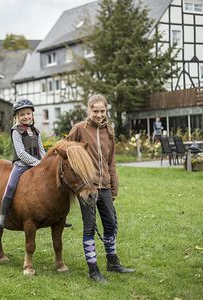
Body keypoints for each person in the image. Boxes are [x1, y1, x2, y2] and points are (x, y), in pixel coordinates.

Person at [66, 94, 135, 283]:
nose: (98, 114)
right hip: (86, 186)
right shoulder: (79, 129)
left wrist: (114, 185)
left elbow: (111, 161)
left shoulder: (109, 130)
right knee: (90, 227)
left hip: (104, 185)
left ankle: (112, 262)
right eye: (95, 111)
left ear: (106, 110)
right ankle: (93, 270)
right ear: (88, 110)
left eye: (102, 111)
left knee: (111, 223)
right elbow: (66, 150)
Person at [0, 99, 46, 229]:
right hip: (21, 166)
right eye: (22, 114)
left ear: (32, 114)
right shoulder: (16, 131)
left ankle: (59, 216)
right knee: (10, 186)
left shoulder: (36, 131)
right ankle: (2, 217)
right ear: (17, 117)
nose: (25, 117)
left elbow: (41, 150)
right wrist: (38, 163)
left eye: (28, 113)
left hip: (38, 164)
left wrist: (45, 163)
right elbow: (21, 153)